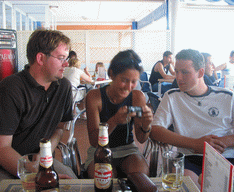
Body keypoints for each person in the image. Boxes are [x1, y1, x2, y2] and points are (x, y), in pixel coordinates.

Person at [149, 49, 234, 184]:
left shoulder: (227, 97)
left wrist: (219, 143)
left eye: (185, 72)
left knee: (222, 183)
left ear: (201, 73)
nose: (178, 78)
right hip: (190, 158)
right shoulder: (171, 97)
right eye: (177, 71)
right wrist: (195, 144)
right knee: (185, 181)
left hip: (225, 157)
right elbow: (155, 131)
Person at [0, 29, 77, 180]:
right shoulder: (10, 88)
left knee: (73, 184)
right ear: (40, 58)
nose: (66, 63)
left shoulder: (64, 87)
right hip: (8, 164)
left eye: (66, 58)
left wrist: (46, 151)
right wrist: (33, 173)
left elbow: (59, 128)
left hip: (44, 163)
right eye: (61, 58)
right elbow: (2, 148)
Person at [84, 49, 153, 178]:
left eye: (134, 81)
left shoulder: (137, 97)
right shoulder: (95, 97)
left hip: (127, 149)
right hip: (99, 151)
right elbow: (94, 141)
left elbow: (141, 138)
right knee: (104, 178)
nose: (129, 86)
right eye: (125, 80)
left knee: (141, 177)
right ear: (112, 74)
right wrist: (115, 120)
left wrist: (147, 125)